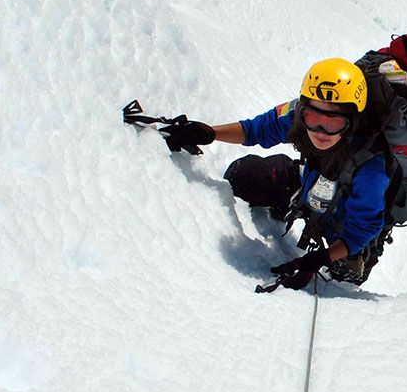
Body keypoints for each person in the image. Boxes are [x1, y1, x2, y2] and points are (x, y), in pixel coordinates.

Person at [157, 58, 392, 289]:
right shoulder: (298, 116)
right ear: (303, 109)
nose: (320, 130)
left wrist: (319, 259)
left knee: (343, 276)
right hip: (310, 184)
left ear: (353, 120)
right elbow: (255, 130)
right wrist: (206, 133)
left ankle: (344, 255)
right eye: (313, 117)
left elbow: (361, 231)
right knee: (243, 175)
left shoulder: (370, 166)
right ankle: (295, 201)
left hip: (346, 219)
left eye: (333, 123)